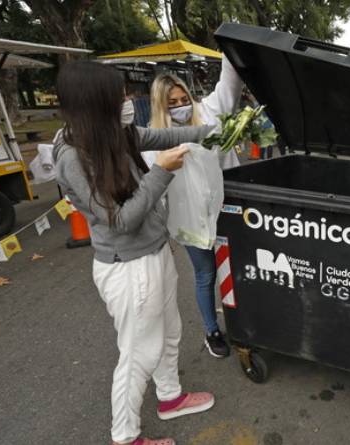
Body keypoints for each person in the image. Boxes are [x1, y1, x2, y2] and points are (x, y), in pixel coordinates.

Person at [54, 60, 216, 445]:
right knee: (138, 354)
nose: (128, 101)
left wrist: (216, 131)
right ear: (96, 103)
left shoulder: (113, 132)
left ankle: (170, 397)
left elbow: (159, 138)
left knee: (170, 332)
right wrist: (161, 172)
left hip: (154, 252)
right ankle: (126, 437)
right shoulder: (74, 156)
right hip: (127, 267)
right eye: (120, 96)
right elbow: (121, 221)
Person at [144, 58, 245, 359]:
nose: (180, 106)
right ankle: (212, 330)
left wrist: (229, 45)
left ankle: (243, 322)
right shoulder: (155, 142)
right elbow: (153, 189)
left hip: (226, 212)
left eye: (183, 99)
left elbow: (230, 84)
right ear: (161, 106)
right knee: (206, 274)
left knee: (238, 269)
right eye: (172, 103)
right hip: (188, 221)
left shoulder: (208, 115)